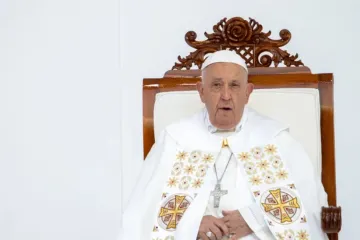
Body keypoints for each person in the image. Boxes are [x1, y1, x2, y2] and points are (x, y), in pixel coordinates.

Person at [119, 50, 329, 240]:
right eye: (217, 85)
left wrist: (253, 219)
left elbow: (309, 203)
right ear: (201, 91)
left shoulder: (274, 137)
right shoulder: (177, 138)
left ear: (248, 92)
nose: (226, 96)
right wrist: (192, 224)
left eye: (235, 86)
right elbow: (144, 209)